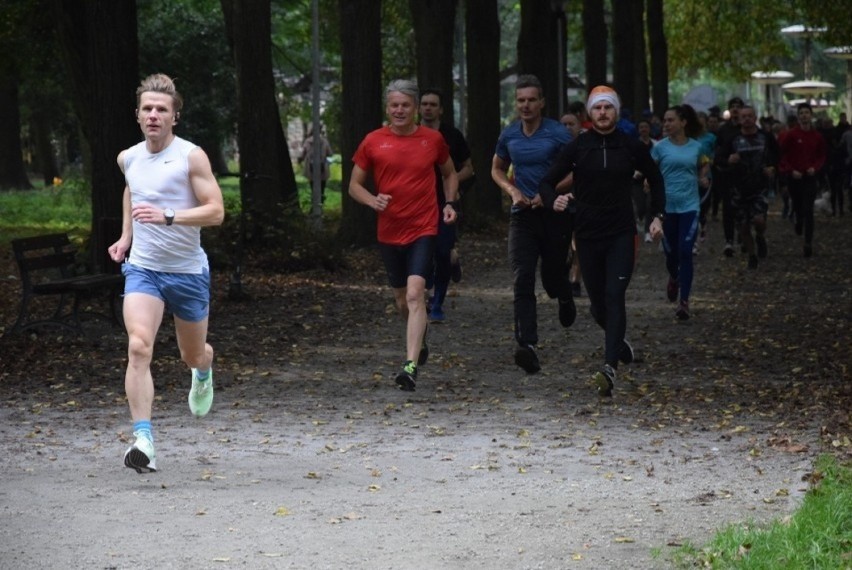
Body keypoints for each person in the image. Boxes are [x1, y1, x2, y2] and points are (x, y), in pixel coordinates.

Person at [108, 74, 225, 473]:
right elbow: (132, 189)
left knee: (192, 353)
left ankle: (204, 370)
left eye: (162, 109)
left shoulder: (191, 156)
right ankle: (144, 439)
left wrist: (169, 216)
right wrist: (126, 236)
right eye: (147, 109)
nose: (154, 115)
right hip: (144, 269)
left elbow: (216, 211)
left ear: (175, 116)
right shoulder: (129, 157)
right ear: (138, 116)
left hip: (188, 272)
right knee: (139, 346)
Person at [541, 85, 665, 397]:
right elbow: (546, 182)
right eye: (597, 108)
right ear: (589, 113)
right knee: (598, 305)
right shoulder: (579, 146)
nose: (603, 113)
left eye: (608, 107)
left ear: (616, 111)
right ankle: (617, 339)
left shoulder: (630, 145)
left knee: (614, 295)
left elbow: (656, 178)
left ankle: (609, 367)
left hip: (621, 232)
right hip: (587, 233)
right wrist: (551, 200)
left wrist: (657, 216)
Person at [348, 79, 459, 391]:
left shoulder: (432, 140)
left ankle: (409, 367)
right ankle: (419, 338)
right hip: (389, 230)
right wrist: (372, 200)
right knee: (401, 299)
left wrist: (449, 203)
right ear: (388, 108)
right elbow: (354, 185)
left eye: (405, 105)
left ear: (414, 109)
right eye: (394, 105)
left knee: (415, 293)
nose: (399, 110)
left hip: (424, 226)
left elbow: (449, 172)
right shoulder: (373, 141)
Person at [491, 74, 574, 375]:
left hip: (554, 212)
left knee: (551, 276)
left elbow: (577, 167)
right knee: (522, 277)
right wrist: (512, 190)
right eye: (520, 100)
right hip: (522, 214)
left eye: (531, 100)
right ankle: (527, 345)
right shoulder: (509, 134)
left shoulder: (558, 134)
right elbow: (497, 168)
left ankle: (565, 295)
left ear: (542, 102)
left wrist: (548, 193)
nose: (525, 105)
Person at [418, 88, 474, 323]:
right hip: (418, 202)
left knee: (441, 251)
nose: (428, 108)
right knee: (424, 252)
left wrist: (450, 181)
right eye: (424, 104)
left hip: (445, 202)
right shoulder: (411, 135)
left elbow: (469, 169)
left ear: (440, 109)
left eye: (433, 104)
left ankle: (437, 302)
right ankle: (429, 286)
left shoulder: (452, 135)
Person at [652, 104, 708, 320]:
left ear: (683, 122)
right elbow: (650, 168)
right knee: (671, 253)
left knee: (685, 251)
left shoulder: (696, 147)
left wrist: (704, 176)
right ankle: (674, 278)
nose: (666, 124)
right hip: (666, 209)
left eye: (670, 120)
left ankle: (684, 302)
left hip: (689, 206)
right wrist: (648, 180)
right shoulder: (660, 148)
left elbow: (704, 165)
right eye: (665, 120)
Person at [716, 105, 779, 269]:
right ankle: (752, 256)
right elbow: (718, 158)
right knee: (743, 226)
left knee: (758, 220)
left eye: (750, 116)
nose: (746, 119)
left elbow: (777, 155)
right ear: (738, 119)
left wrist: (772, 168)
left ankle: (760, 236)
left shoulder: (765, 137)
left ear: (755, 117)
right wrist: (729, 159)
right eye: (743, 116)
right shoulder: (733, 139)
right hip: (738, 187)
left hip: (759, 186)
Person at [778, 103, 827, 257]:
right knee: (799, 208)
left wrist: (815, 167)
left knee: (808, 210)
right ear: (798, 116)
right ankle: (798, 221)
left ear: (811, 115)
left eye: (807, 113)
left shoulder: (817, 136)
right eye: (802, 113)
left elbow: (822, 156)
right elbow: (782, 155)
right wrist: (791, 170)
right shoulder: (791, 135)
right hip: (795, 178)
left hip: (810, 178)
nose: (804, 115)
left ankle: (808, 242)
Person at [299, 125, 333, 203]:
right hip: (323, 168)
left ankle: (314, 205)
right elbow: (330, 153)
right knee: (322, 188)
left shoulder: (307, 141)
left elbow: (303, 154)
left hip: (311, 168)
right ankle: (320, 205)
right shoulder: (324, 141)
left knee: (313, 187)